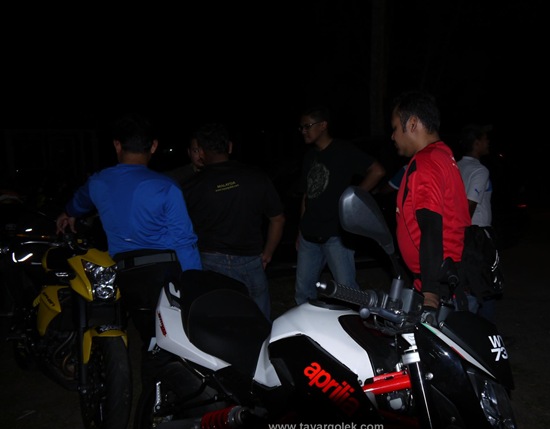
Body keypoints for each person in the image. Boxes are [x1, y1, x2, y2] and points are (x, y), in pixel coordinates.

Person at [55, 113, 202, 376]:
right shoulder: (166, 187)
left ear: (117, 145)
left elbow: (78, 202)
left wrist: (68, 213)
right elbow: (184, 241)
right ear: (153, 146)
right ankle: (161, 386)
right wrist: (195, 284)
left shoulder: (98, 181)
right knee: (167, 340)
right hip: (164, 273)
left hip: (126, 274)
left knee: (150, 335)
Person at [183, 122, 285, 320]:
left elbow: (181, 230)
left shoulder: (190, 186)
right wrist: (268, 253)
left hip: (211, 263)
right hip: (250, 261)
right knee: (259, 322)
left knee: (221, 323)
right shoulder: (256, 176)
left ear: (201, 152)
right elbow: (278, 219)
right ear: (229, 147)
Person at [294, 105, 386, 305]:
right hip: (309, 236)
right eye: (301, 127)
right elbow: (307, 195)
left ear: (323, 125)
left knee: (347, 291)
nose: (303, 131)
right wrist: (300, 230)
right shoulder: (310, 156)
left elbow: (377, 170)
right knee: (303, 292)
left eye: (307, 126)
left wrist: (353, 197)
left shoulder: (343, 150)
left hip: (336, 235)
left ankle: (356, 322)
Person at [390, 90, 470, 313]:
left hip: (437, 287)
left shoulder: (426, 161)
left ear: (412, 123)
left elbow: (431, 226)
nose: (393, 136)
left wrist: (430, 291)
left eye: (395, 128)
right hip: (446, 278)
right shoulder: (443, 155)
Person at [457, 123, 500, 322]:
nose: (487, 143)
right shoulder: (479, 171)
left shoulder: (456, 166)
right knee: (483, 284)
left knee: (469, 283)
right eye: (484, 139)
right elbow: (469, 207)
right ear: (476, 143)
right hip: (476, 235)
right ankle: (481, 331)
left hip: (459, 233)